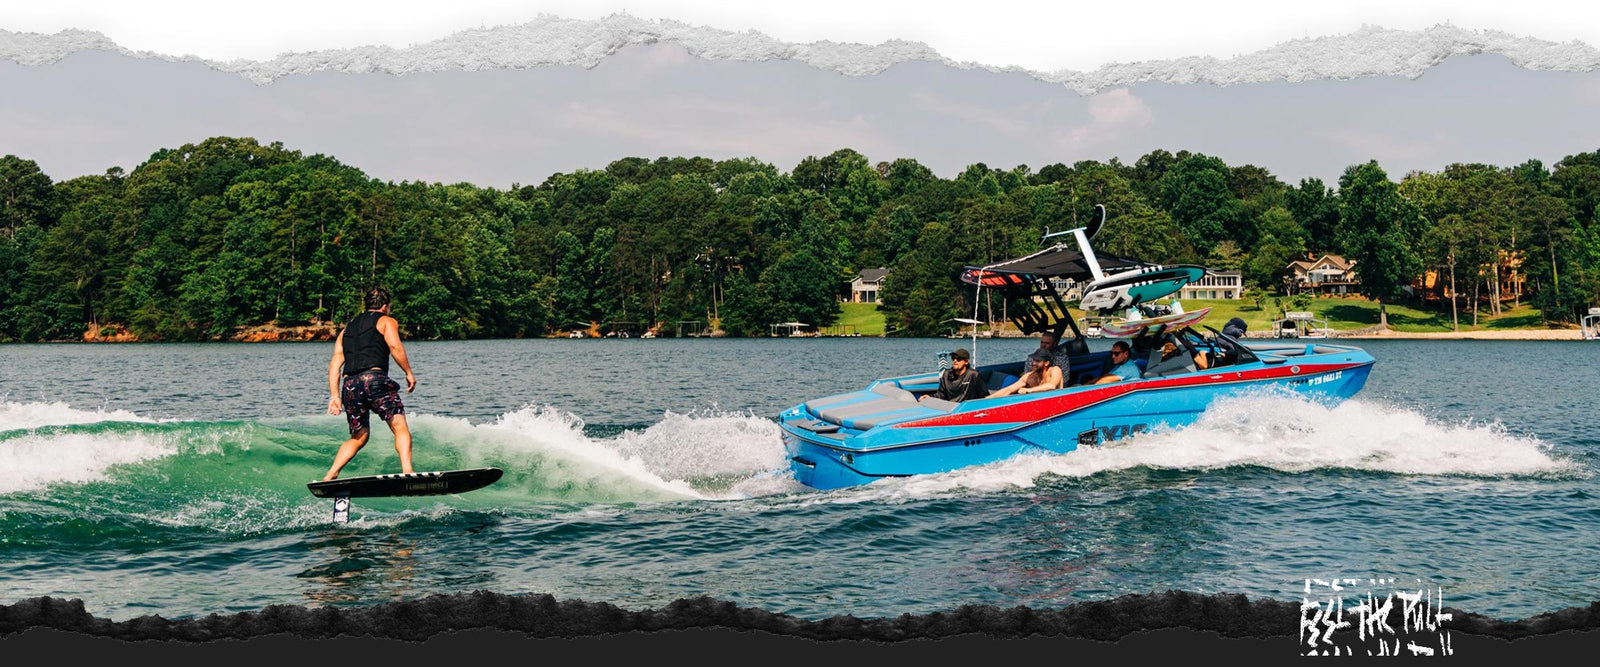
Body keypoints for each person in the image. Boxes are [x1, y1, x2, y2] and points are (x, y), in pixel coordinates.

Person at [323, 287, 418, 481]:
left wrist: (334, 396)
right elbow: (394, 346)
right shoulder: (386, 321)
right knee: (400, 427)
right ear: (385, 306)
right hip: (374, 381)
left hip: (350, 386)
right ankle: (407, 471)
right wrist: (408, 372)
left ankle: (330, 474)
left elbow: (335, 364)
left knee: (359, 437)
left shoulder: (346, 329)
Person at [921, 348, 990, 403]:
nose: (955, 361)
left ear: (966, 362)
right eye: (953, 358)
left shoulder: (974, 375)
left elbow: (984, 397)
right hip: (950, 409)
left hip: (965, 409)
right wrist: (929, 397)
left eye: (959, 359)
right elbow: (941, 395)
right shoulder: (946, 374)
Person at [990, 350, 1065, 398]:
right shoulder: (1029, 376)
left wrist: (1029, 390)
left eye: (1038, 361)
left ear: (1046, 363)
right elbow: (1008, 390)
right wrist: (987, 399)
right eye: (1034, 360)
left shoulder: (1055, 370)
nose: (1034, 363)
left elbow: (1051, 386)